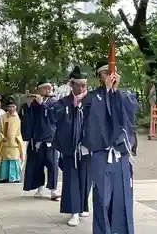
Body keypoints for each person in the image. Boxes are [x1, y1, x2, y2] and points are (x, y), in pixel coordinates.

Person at [82, 58, 134, 234]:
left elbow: (127, 118)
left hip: (120, 156)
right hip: (101, 155)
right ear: (99, 76)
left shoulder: (125, 95)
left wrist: (115, 93)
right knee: (102, 200)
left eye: (112, 72)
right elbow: (95, 120)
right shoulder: (91, 98)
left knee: (122, 200)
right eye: (105, 73)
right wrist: (107, 93)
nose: (110, 76)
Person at [53, 66, 92, 226]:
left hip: (86, 148)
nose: (82, 88)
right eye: (78, 85)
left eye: (84, 85)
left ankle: (82, 206)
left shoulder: (90, 101)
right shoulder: (63, 103)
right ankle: (74, 212)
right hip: (71, 149)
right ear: (72, 85)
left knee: (86, 180)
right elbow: (59, 120)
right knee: (72, 181)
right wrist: (74, 106)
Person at [24, 77, 60, 200]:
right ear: (39, 90)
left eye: (49, 87)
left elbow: (54, 117)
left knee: (52, 164)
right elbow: (30, 120)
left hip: (50, 138)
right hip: (38, 138)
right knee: (38, 165)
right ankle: (40, 188)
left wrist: (43, 104)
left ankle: (54, 190)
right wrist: (28, 105)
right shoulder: (34, 102)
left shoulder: (54, 101)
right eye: (45, 87)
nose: (48, 89)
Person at [0, 98, 24, 183]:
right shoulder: (3, 117)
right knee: (4, 162)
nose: (11, 109)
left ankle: (13, 177)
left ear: (16, 107)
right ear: (7, 108)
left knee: (14, 160)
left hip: (14, 144)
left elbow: (19, 132)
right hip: (5, 144)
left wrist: (18, 139)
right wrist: (1, 137)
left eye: (13, 107)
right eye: (9, 107)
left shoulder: (18, 118)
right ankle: (3, 177)